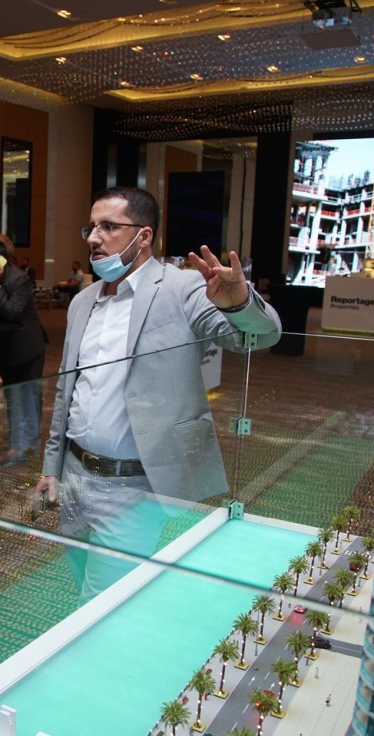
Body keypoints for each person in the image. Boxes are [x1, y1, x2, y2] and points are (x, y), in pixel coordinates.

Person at [36, 187, 282, 603]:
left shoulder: (182, 287)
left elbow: (258, 337)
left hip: (134, 485)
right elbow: (66, 392)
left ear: (144, 236)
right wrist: (52, 466)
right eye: (90, 227)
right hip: (76, 476)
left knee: (101, 604)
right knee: (81, 581)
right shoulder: (82, 302)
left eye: (108, 226)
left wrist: (239, 303)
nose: (93, 238)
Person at [0, 238, 47, 464]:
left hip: (27, 347)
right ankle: (18, 446)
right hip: (6, 349)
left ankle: (29, 447)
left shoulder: (19, 278)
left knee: (29, 397)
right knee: (13, 398)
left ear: (0, 259)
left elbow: (12, 312)